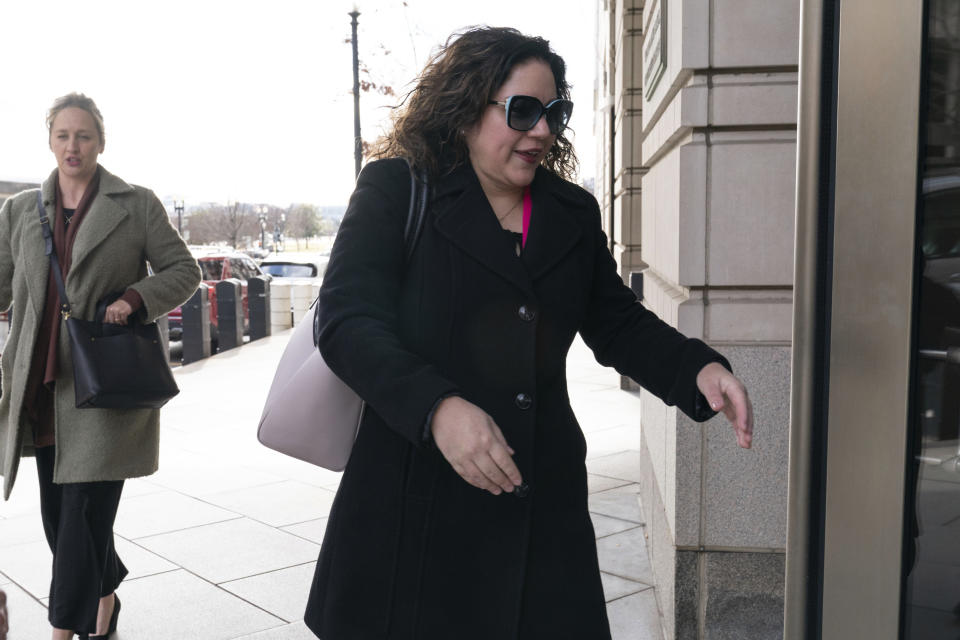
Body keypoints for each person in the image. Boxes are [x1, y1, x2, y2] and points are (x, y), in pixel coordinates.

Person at [304, 27, 753, 640]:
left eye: (554, 113)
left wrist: (695, 369)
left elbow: (616, 321)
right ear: (466, 110)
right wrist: (437, 407)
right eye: (522, 111)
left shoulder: (570, 213)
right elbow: (348, 321)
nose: (541, 130)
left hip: (538, 504)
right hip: (417, 505)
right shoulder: (398, 189)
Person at [0, 93, 201, 640]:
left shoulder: (135, 204)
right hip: (41, 390)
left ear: (100, 142)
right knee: (58, 520)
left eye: (83, 135)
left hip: (102, 389)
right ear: (49, 141)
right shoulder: (19, 210)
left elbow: (185, 271)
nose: (73, 145)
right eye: (63, 135)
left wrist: (135, 298)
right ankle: (105, 594)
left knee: (79, 519)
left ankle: (64, 631)